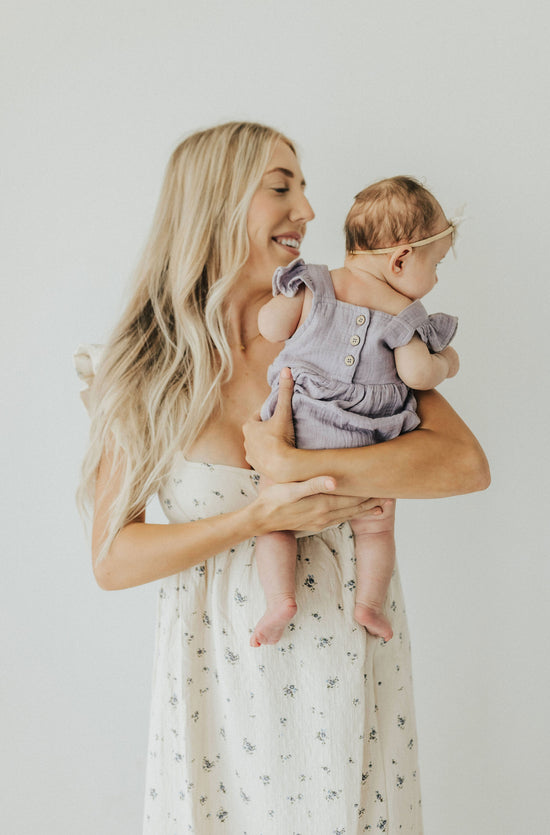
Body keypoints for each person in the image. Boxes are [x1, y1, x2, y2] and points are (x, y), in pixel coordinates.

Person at [76, 122, 489, 834]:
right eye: (281, 187)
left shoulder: (336, 326)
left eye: (300, 186)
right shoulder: (146, 368)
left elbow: (462, 464)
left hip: (350, 680)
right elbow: (113, 559)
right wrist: (258, 517)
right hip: (218, 695)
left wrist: (301, 466)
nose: (307, 210)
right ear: (216, 203)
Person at [251, 177, 460, 648]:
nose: (436, 277)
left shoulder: (315, 283)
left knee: (275, 518)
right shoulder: (404, 314)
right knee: (377, 528)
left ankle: (279, 600)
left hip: (300, 430)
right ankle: (368, 604)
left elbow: (270, 327)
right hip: (370, 444)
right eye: (437, 263)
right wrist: (446, 361)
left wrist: (286, 305)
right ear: (401, 259)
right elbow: (418, 377)